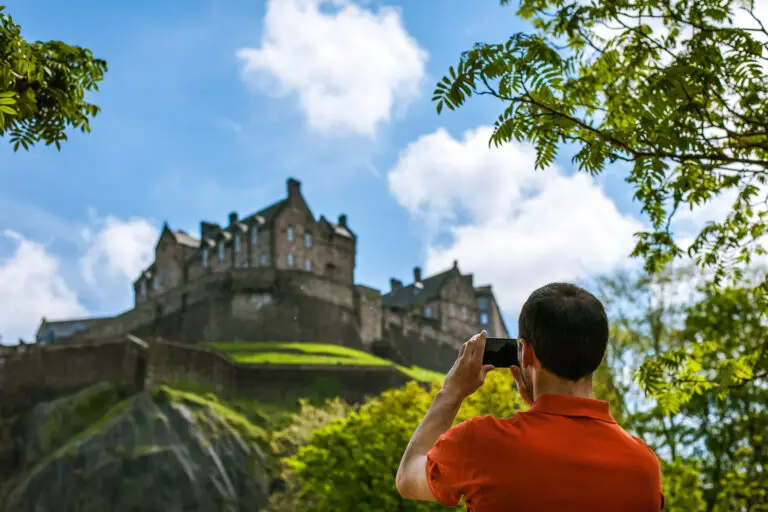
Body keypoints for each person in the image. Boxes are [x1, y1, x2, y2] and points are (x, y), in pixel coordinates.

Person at [395, 282, 664, 511]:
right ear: (599, 354)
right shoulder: (644, 467)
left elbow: (408, 478)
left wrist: (451, 393)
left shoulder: (482, 444)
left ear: (525, 353)